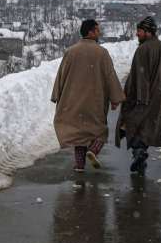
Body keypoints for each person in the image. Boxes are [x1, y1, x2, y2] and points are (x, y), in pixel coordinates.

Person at [51, 19, 125, 172]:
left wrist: (56, 94)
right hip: (95, 100)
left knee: (78, 134)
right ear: (90, 32)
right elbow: (110, 76)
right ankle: (93, 150)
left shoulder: (71, 51)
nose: (99, 33)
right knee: (100, 131)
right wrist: (115, 98)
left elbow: (61, 75)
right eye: (97, 30)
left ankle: (79, 165)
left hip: (74, 100)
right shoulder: (102, 53)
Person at [114, 16, 161, 175]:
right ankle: (140, 158)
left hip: (143, 96)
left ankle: (139, 152)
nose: (137, 34)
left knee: (132, 123)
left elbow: (140, 77)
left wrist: (139, 97)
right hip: (160, 96)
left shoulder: (143, 49)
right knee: (148, 126)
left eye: (140, 31)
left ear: (148, 32)